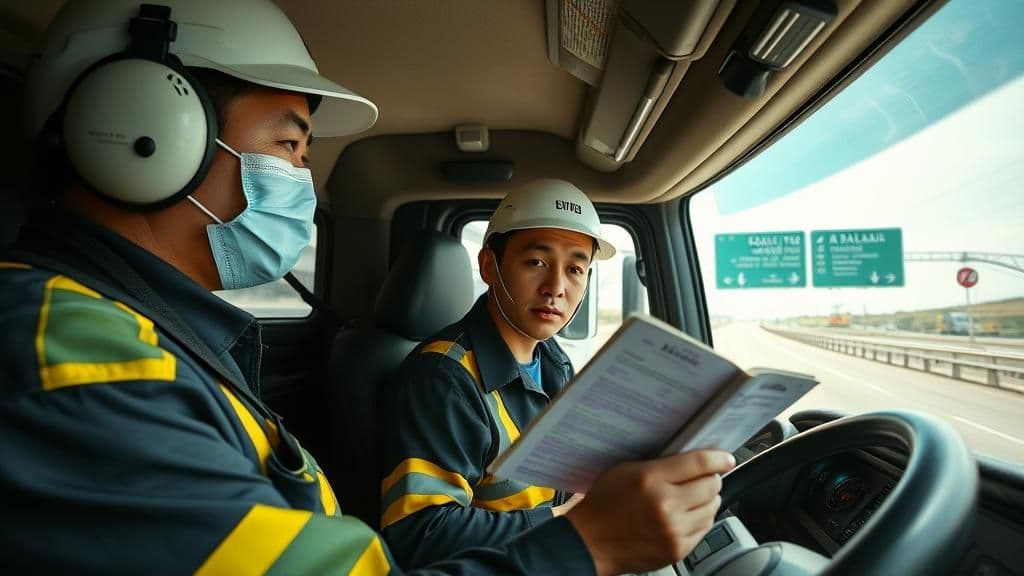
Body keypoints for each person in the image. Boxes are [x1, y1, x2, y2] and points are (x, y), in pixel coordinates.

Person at [0, 1, 735, 574]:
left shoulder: (166, 339)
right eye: (289, 145)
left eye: (579, 267)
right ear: (143, 129)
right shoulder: (68, 358)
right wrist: (586, 539)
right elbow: (418, 537)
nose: (301, 181)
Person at [379, 180, 609, 566]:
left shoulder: (554, 361)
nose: (556, 287)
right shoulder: (443, 378)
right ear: (490, 266)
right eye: (536, 262)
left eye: (574, 269)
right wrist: (564, 525)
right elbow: (420, 532)